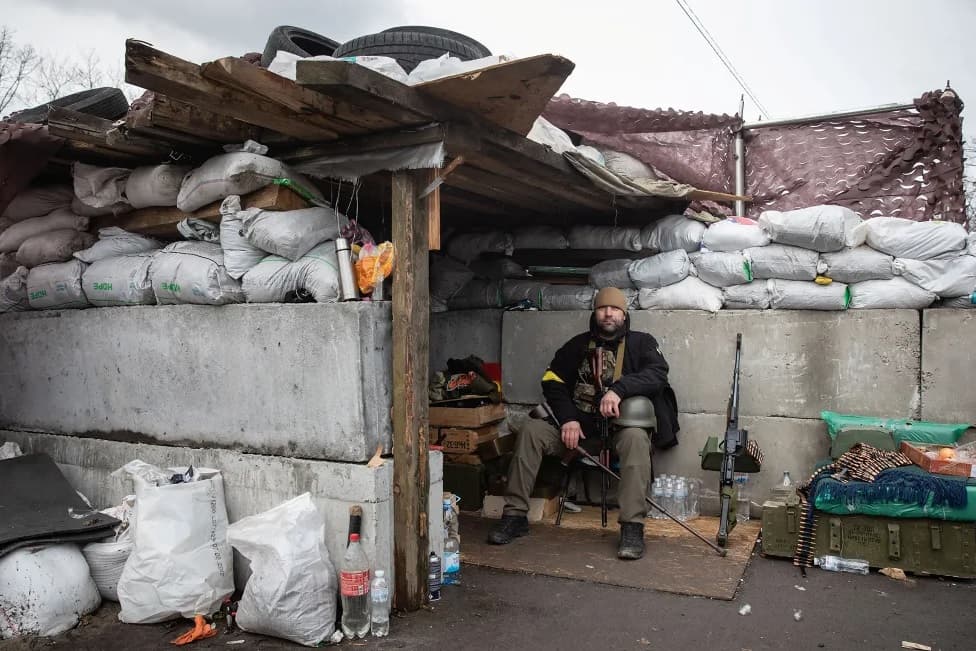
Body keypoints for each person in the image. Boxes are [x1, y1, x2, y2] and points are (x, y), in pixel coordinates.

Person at [486, 287, 677, 560]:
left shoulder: (642, 343)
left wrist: (619, 390)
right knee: (532, 431)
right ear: (595, 312)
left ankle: (632, 527)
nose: (608, 313)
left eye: (615, 309)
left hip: (620, 431)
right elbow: (552, 381)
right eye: (602, 308)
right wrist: (569, 419)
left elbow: (657, 374)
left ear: (624, 315)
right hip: (577, 431)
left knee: (636, 440)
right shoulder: (576, 345)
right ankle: (515, 516)